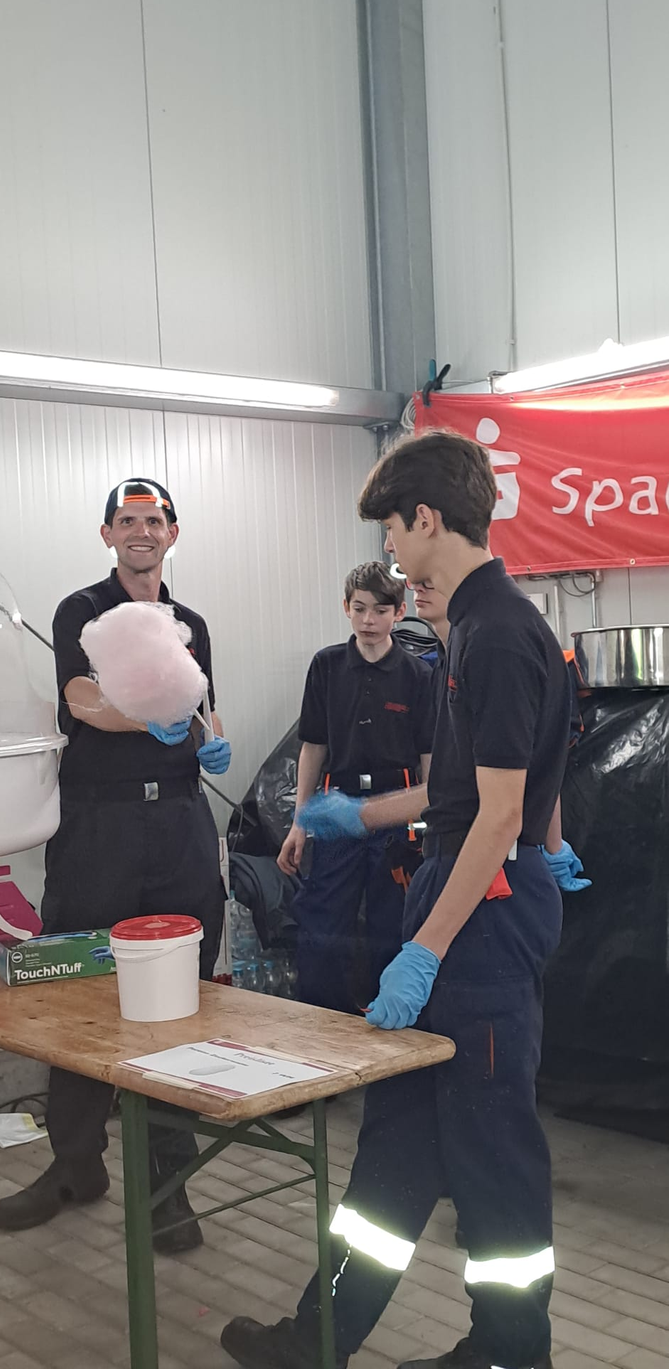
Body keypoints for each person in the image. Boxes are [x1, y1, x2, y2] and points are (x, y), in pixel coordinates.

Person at [221, 430, 570, 1369]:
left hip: (481, 916)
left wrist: (425, 952)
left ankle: (511, 1351)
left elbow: (498, 817)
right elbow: (458, 794)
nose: (390, 551)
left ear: (425, 518)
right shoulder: (472, 630)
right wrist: (357, 815)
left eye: (391, 530)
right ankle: (319, 1338)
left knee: (491, 1148)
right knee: (401, 1135)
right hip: (463, 895)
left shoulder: (498, 634)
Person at [0, 478, 229, 1254]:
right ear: (107, 535)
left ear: (172, 533)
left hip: (181, 823)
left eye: (153, 521)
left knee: (177, 999)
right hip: (100, 827)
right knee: (80, 992)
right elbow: (82, 700)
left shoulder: (190, 623)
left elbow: (204, 710)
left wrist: (208, 739)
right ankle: (74, 1165)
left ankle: (168, 1183)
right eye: (127, 521)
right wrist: (148, 721)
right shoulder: (82, 611)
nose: (140, 532)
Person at [277, 561, 434, 1013]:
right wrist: (299, 823)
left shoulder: (418, 675)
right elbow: (313, 747)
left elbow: (429, 759)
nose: (369, 620)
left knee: (394, 927)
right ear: (345, 607)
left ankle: (394, 1026)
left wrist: (432, 824)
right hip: (336, 813)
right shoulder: (326, 667)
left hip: (398, 816)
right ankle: (321, 1030)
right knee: (322, 928)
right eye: (360, 608)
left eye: (380, 610)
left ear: (399, 613)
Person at [410, 579, 590, 895]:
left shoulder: (497, 653)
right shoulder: (440, 666)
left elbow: (539, 768)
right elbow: (443, 785)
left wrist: (553, 845)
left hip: (504, 860)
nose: (417, 588)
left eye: (429, 581)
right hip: (454, 853)